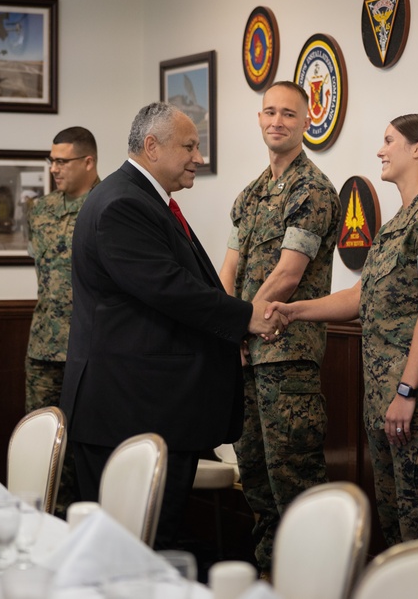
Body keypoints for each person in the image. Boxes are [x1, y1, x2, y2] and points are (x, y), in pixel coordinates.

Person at [61, 102, 285, 549]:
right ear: (151, 147)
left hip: (139, 409)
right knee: (134, 548)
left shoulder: (136, 198)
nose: (198, 158)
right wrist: (246, 316)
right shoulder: (124, 203)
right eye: (189, 146)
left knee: (141, 546)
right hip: (131, 412)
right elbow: (167, 288)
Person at [267, 113, 418, 546]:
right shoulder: (398, 223)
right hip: (389, 406)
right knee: (397, 529)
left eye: (389, 141)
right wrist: (292, 310)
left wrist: (407, 391)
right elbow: (360, 297)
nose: (381, 150)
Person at [218, 80, 341, 572]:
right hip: (246, 351)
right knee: (255, 479)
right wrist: (234, 329)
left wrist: (241, 326)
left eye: (289, 114)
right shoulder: (249, 195)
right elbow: (227, 270)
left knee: (296, 482)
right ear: (259, 118)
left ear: (307, 120)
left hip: (287, 355)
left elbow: (288, 274)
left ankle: (317, 580)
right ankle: (272, 576)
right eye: (269, 112)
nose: (277, 121)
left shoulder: (313, 191)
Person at [24, 126, 100, 517]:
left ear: (88, 162)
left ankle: (81, 525)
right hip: (43, 346)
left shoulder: (107, 204)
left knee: (83, 447)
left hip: (90, 349)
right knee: (39, 442)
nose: (54, 169)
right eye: (51, 160)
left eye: (62, 161)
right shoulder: (40, 210)